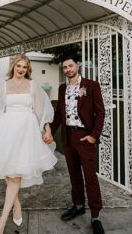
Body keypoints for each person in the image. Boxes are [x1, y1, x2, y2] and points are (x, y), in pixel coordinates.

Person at [0, 54, 56, 234]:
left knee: (15, 175)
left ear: (27, 69)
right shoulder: (4, 85)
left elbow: (39, 109)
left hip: (26, 131)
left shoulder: (32, 85)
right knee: (8, 171)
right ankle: (17, 205)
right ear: (13, 66)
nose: (21, 70)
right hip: (6, 130)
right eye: (18, 66)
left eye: (24, 67)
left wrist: (47, 128)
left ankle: (1, 222)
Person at [43, 53, 105, 233]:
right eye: (64, 67)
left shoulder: (91, 86)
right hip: (68, 138)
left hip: (84, 137)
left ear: (77, 66)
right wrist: (49, 132)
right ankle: (78, 205)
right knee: (74, 174)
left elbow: (100, 113)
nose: (67, 69)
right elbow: (59, 115)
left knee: (90, 177)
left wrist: (94, 135)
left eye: (70, 66)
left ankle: (95, 216)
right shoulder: (62, 88)